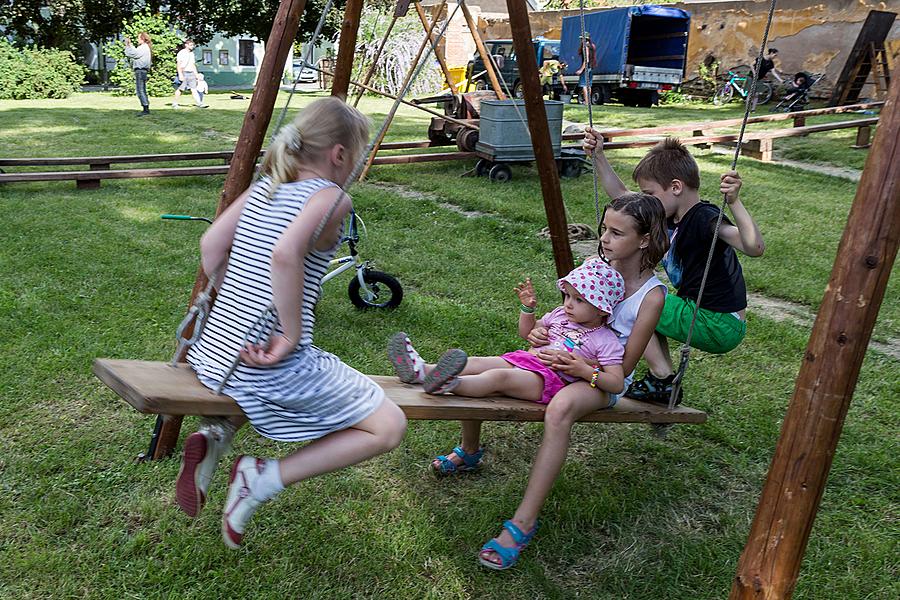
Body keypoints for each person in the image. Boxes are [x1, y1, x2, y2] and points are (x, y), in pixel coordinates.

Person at [174, 97, 408, 549]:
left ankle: (216, 435)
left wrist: (240, 292)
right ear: (339, 155)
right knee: (389, 426)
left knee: (277, 384)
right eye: (355, 158)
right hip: (269, 363)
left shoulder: (266, 186)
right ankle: (261, 477)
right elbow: (285, 255)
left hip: (216, 355)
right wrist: (290, 332)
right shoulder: (333, 198)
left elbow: (211, 247)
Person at [389, 260, 635, 569]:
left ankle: (451, 385)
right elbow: (527, 333)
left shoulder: (605, 340)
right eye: (567, 296)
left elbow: (615, 381)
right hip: (525, 360)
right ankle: (421, 370)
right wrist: (530, 313)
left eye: (579, 300)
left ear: (601, 309)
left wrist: (585, 370)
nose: (569, 305)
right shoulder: (559, 316)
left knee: (498, 380)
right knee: (480, 361)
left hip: (548, 381)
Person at [586, 129, 765, 404]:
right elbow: (622, 195)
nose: (645, 199)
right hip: (701, 315)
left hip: (718, 323)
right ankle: (663, 381)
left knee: (640, 301)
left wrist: (735, 202)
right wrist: (599, 155)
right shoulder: (667, 217)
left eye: (649, 193)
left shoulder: (703, 219)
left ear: (676, 187)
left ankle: (661, 379)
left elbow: (753, 247)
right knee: (644, 303)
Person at [123, 33, 152, 117]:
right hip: (142, 71)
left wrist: (128, 45)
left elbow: (133, 54)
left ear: (143, 39)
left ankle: (145, 109)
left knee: (140, 90)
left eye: (139, 38)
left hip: (140, 70)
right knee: (142, 89)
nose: (137, 39)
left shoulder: (143, 47)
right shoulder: (145, 47)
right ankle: (145, 107)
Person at [173, 40, 207, 108]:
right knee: (181, 89)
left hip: (191, 73)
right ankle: (175, 103)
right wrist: (180, 75)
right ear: (186, 45)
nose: (192, 46)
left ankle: (199, 103)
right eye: (191, 45)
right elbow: (178, 64)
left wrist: (196, 74)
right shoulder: (181, 53)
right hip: (184, 72)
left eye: (193, 45)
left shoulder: (191, 54)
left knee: (194, 89)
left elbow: (193, 64)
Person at [574, 33, 597, 105]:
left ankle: (587, 102)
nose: (580, 40)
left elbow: (586, 60)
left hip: (586, 68)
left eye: (581, 39)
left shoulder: (585, 47)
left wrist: (581, 70)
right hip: (591, 67)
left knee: (584, 85)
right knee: (589, 85)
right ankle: (588, 101)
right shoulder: (592, 46)